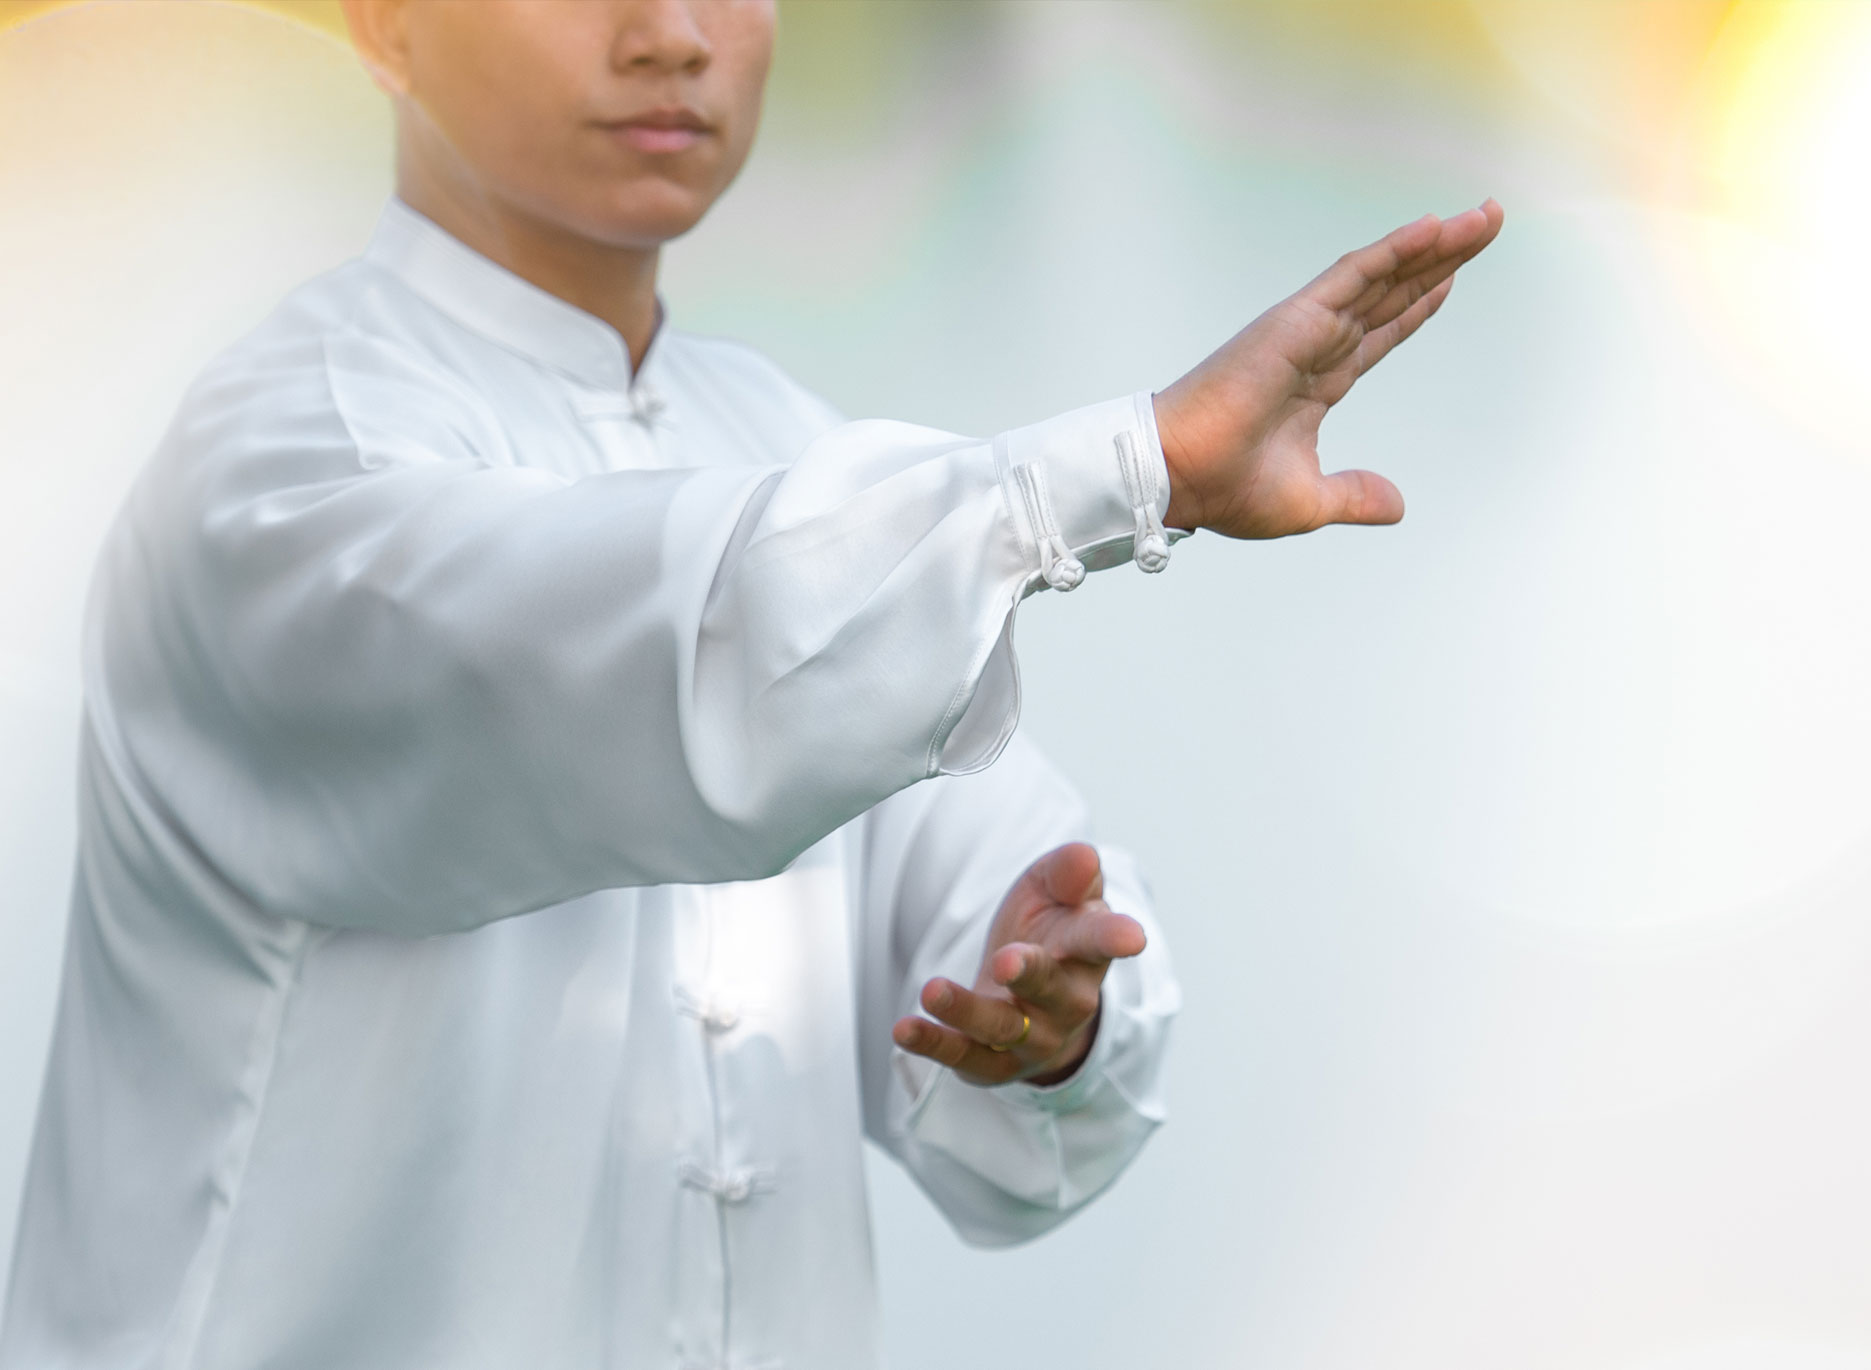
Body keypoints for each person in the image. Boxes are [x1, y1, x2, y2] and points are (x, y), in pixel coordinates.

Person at [0, 1, 1500, 1365]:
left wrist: (1048, 1005)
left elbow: (991, 899)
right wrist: (1131, 467)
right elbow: (672, 652)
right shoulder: (284, 463)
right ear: (382, 25)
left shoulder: (780, 444)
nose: (672, 35)